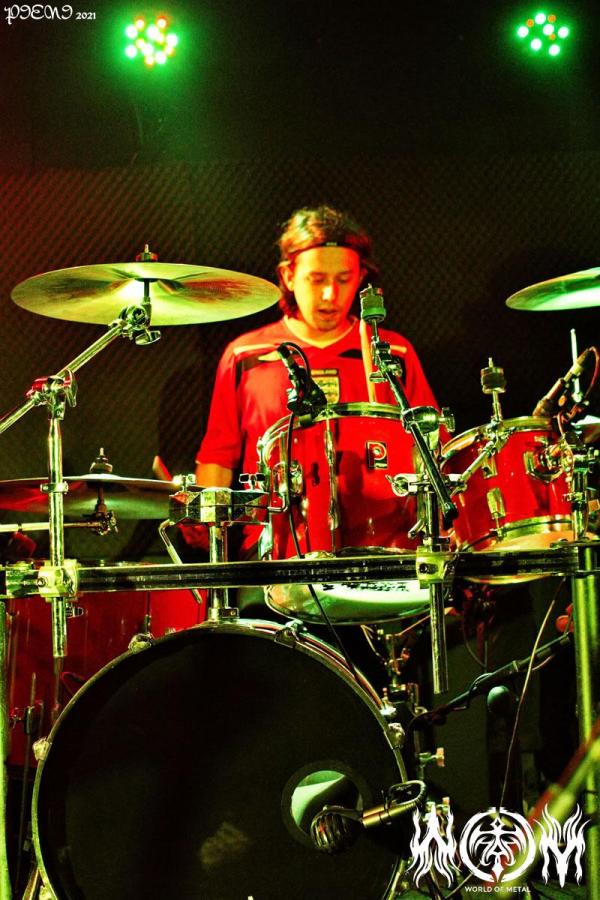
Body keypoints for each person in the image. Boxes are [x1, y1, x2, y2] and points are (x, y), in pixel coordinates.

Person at [195, 204, 441, 509]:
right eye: (317, 279)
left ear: (361, 277)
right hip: (274, 534)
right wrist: (203, 521)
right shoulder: (246, 355)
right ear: (288, 276)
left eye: (343, 279)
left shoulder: (392, 352)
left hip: (383, 532)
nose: (330, 295)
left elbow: (433, 445)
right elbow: (218, 458)